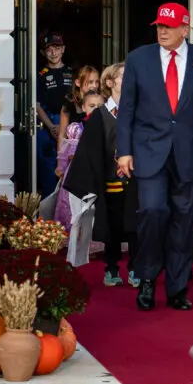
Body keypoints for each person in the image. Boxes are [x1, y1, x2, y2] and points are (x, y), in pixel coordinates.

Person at [116, 3, 193, 312]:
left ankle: (178, 288)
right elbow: (126, 109)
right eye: (159, 26)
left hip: (189, 153)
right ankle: (149, 278)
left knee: (183, 219)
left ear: (185, 28)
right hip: (148, 152)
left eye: (169, 26)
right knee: (152, 211)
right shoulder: (139, 59)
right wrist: (123, 151)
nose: (162, 30)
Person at [63, 62, 140, 289]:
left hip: (136, 180)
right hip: (110, 181)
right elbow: (89, 151)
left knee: (136, 224)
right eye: (123, 76)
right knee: (112, 227)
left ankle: (135, 267)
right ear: (110, 82)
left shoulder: (139, 113)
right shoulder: (100, 116)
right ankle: (112, 267)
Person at [53, 91, 104, 229]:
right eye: (92, 105)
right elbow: (68, 152)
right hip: (79, 172)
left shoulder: (108, 126)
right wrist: (61, 166)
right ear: (83, 107)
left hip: (100, 172)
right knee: (74, 206)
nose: (96, 109)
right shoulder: (76, 128)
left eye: (100, 105)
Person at [36, 33, 74, 197]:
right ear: (43, 52)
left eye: (57, 48)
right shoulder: (39, 76)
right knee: (49, 173)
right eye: (49, 49)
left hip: (70, 126)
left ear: (63, 49)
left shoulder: (73, 73)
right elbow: (35, 105)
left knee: (70, 169)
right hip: (47, 126)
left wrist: (66, 126)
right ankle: (48, 217)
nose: (53, 52)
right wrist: (51, 126)